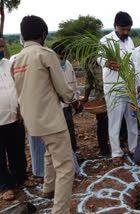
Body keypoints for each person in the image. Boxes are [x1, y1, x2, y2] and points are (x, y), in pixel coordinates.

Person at [12, 15, 81, 214]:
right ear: (43, 35)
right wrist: (74, 100)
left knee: (50, 151)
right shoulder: (45, 54)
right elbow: (63, 89)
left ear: (23, 36)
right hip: (51, 119)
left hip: (32, 121)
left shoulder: (16, 60)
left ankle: (47, 188)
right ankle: (60, 210)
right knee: (66, 167)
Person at [98, 11, 138, 166]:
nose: (126, 33)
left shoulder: (129, 42)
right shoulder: (105, 40)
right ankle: (116, 153)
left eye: (128, 30)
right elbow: (99, 58)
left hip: (130, 88)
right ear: (115, 26)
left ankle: (133, 148)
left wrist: (135, 87)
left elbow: (133, 63)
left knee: (133, 120)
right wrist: (107, 62)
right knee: (115, 122)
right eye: (123, 30)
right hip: (114, 89)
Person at [0, 35, 33, 200]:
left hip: (15, 116)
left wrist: (20, 107)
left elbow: (18, 87)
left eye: (1, 46)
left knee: (18, 150)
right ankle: (5, 186)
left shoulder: (9, 65)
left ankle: (21, 178)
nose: (1, 50)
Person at [52, 41, 81, 152]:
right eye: (61, 56)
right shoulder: (50, 67)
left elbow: (73, 83)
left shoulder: (68, 65)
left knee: (70, 129)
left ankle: (73, 153)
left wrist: (77, 100)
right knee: (60, 134)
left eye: (65, 56)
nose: (63, 58)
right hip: (57, 107)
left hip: (68, 104)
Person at [81, 59, 110, 155]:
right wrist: (85, 98)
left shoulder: (106, 58)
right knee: (102, 122)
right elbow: (88, 81)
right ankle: (104, 148)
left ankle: (120, 143)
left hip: (114, 93)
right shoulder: (88, 62)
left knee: (118, 121)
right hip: (101, 96)